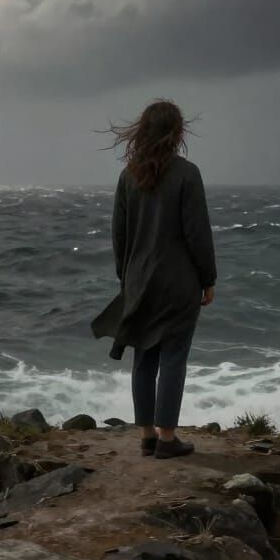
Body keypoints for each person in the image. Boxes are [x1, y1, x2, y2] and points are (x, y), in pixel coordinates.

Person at [92, 100, 217, 460]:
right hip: (178, 283)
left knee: (144, 356)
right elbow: (197, 234)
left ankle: (146, 435)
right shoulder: (187, 174)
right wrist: (208, 278)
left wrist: (126, 279)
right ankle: (167, 438)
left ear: (142, 131)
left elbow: (119, 235)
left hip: (139, 281)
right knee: (174, 357)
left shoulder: (128, 176)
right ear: (177, 133)